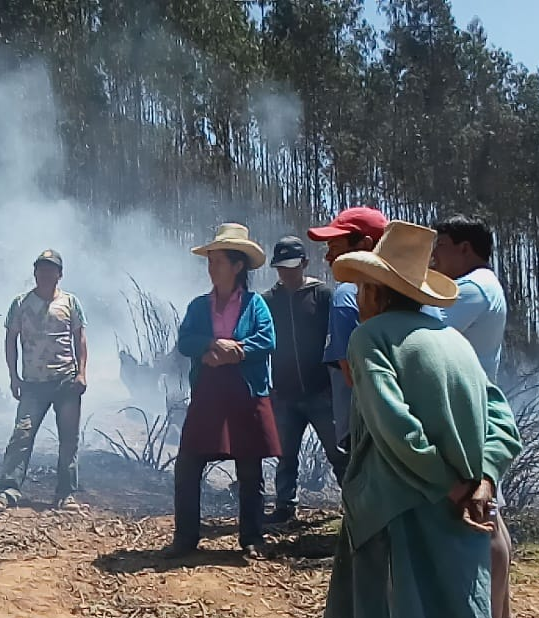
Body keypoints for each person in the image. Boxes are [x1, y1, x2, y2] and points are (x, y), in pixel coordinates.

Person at [323, 221, 523, 618]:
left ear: (375, 290)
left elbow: (396, 428)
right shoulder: (453, 342)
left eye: (363, 287)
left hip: (397, 517)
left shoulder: (369, 339)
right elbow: (503, 420)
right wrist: (484, 480)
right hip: (462, 519)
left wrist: (453, 486)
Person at [163, 223, 280, 559]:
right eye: (209, 262)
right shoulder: (199, 306)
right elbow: (185, 340)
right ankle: (185, 538)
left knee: (250, 469)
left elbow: (267, 340)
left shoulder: (255, 305)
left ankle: (252, 538)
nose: (211, 268)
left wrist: (238, 350)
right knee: (188, 464)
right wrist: (210, 346)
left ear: (237, 265)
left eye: (217, 261)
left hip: (245, 392)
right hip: (209, 393)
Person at [429, 214, 516, 618]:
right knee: (492, 515)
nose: (436, 255)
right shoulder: (484, 284)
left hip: (469, 411)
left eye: (442, 245)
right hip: (475, 405)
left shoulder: (473, 288)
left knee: (484, 516)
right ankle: (504, 614)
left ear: (466, 248)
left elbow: (429, 329)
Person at [0, 250, 89, 513]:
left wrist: (82, 373)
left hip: (66, 381)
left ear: (59, 274)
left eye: (51, 269)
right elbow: (10, 341)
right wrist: (13, 376)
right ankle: (7, 491)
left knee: (69, 439)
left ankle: (66, 494)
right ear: (35, 273)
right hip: (32, 383)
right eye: (41, 269)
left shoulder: (71, 303)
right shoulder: (20, 303)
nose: (46, 274)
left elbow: (80, 338)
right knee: (22, 434)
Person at [261, 236, 346, 524]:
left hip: (320, 390)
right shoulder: (269, 301)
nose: (286, 273)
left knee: (339, 452)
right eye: (281, 267)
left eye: (291, 266)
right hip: (284, 392)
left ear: (304, 263)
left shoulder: (323, 295)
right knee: (285, 455)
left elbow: (337, 338)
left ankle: (354, 504)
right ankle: (285, 506)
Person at [306, 207, 390, 447]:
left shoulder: (345, 296)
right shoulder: (410, 298)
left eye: (335, 248)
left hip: (364, 429)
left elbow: (352, 375)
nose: (328, 257)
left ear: (364, 245)